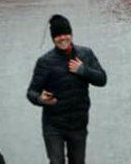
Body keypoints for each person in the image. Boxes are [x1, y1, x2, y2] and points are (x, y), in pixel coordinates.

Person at [27, 13, 107, 164]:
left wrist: (83, 70)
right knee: (56, 161)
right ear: (53, 38)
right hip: (53, 125)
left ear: (71, 34)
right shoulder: (45, 62)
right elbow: (31, 92)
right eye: (58, 36)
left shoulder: (86, 54)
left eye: (65, 34)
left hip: (78, 124)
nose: (62, 38)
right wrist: (40, 99)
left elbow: (102, 79)